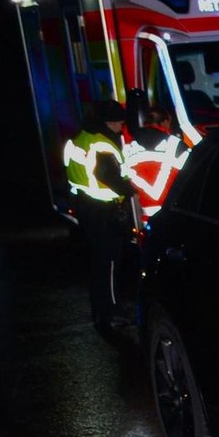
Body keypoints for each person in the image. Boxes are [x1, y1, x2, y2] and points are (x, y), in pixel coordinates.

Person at [63, 100, 138, 334]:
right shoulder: (103, 145)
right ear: (110, 122)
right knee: (110, 263)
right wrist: (130, 189)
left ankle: (101, 310)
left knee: (98, 263)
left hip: (86, 207)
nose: (121, 128)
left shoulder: (80, 138)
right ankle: (113, 312)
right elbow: (112, 179)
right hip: (104, 211)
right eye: (119, 123)